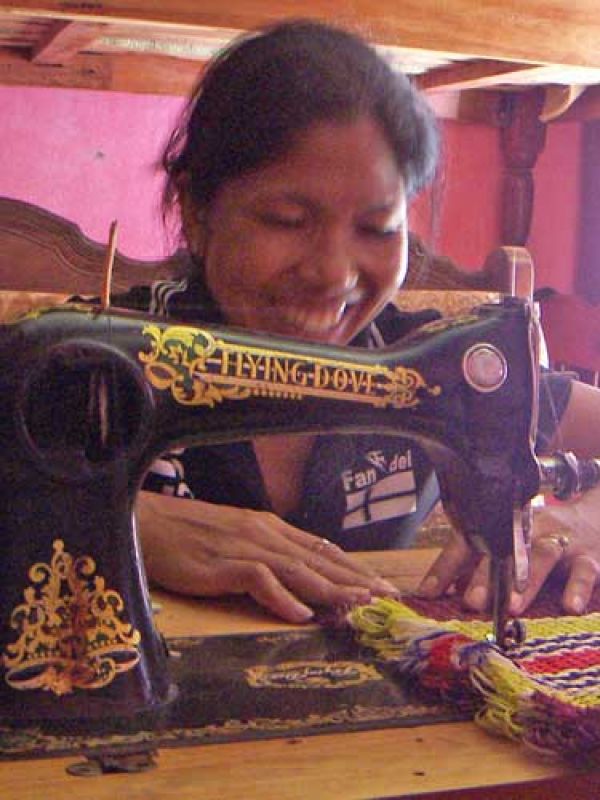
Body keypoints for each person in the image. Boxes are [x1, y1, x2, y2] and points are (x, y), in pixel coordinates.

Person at [123, 19, 600, 624]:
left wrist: (590, 515)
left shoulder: (435, 365)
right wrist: (125, 519)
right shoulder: (101, 367)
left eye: (378, 229)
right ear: (195, 212)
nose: (333, 275)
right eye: (287, 220)